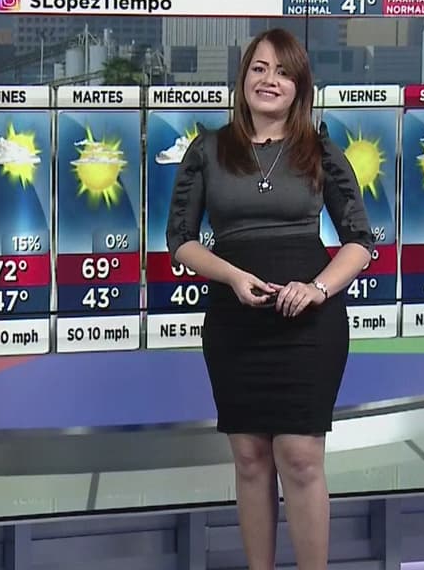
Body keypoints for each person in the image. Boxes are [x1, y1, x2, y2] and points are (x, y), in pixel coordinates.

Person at [165, 28, 375, 570]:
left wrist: (318, 288)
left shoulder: (319, 150)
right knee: (251, 457)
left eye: (282, 71)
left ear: (299, 85)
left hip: (308, 323)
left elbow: (360, 241)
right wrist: (232, 277)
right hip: (236, 322)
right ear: (243, 79)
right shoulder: (208, 150)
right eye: (259, 68)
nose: (269, 80)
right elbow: (180, 240)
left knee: (300, 457)